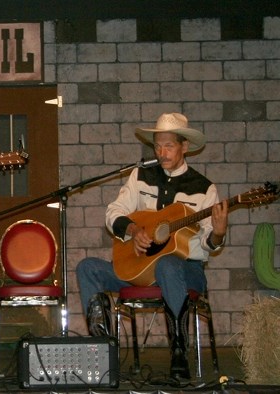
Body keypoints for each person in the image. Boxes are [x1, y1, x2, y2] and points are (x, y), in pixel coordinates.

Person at [75, 112, 228, 380]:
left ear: (185, 147)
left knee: (169, 263)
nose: (161, 152)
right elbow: (114, 212)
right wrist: (133, 230)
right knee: (87, 267)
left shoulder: (204, 188)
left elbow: (209, 244)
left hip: (186, 271)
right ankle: (103, 353)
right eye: (157, 145)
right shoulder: (140, 175)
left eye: (169, 145)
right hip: (140, 268)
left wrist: (218, 233)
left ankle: (179, 352)